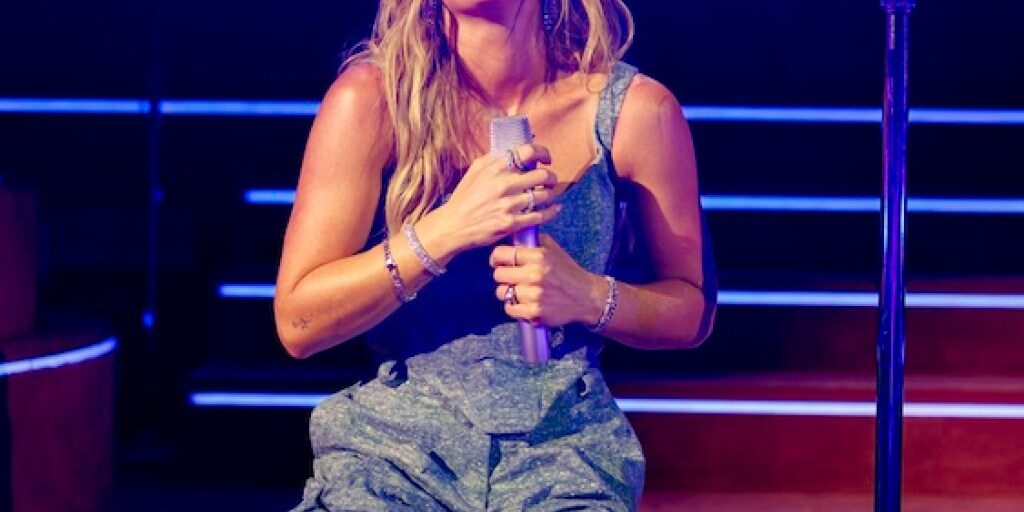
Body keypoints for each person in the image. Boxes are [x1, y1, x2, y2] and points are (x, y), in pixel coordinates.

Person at [273, 0, 716, 509]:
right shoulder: (370, 100)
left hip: (564, 453)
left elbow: (690, 312)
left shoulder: (636, 111)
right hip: (394, 456)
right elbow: (299, 322)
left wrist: (590, 296)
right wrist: (443, 232)